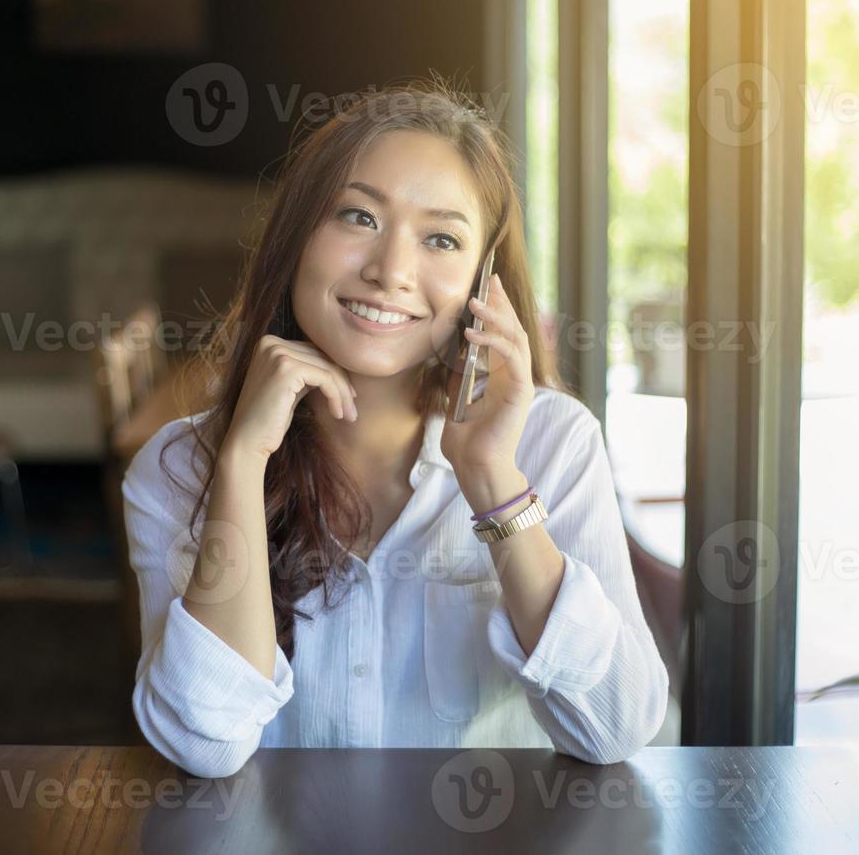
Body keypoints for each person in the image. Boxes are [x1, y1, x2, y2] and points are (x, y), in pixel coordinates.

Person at [122, 78, 667, 779]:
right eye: (357, 217)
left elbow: (616, 727)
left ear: (483, 281)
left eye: (441, 238)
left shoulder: (554, 443)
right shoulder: (179, 465)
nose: (392, 272)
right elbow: (203, 743)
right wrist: (241, 463)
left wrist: (493, 480)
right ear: (295, 239)